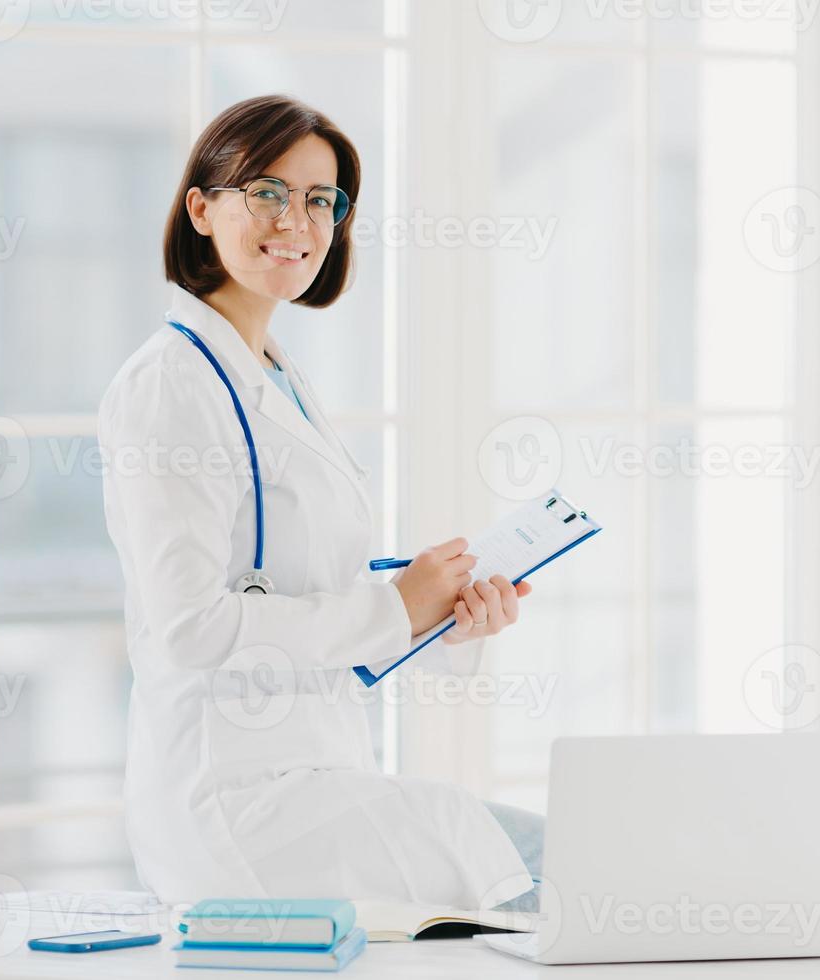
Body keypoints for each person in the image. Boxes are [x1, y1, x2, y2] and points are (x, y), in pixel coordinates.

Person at [99, 94, 541, 911]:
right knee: (575, 880)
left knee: (574, 879)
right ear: (201, 208)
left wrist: (439, 616)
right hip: (234, 804)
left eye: (319, 200)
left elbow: (311, 597)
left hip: (314, 777)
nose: (295, 220)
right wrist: (388, 607)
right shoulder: (172, 385)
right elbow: (190, 625)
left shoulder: (273, 373)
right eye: (266, 191)